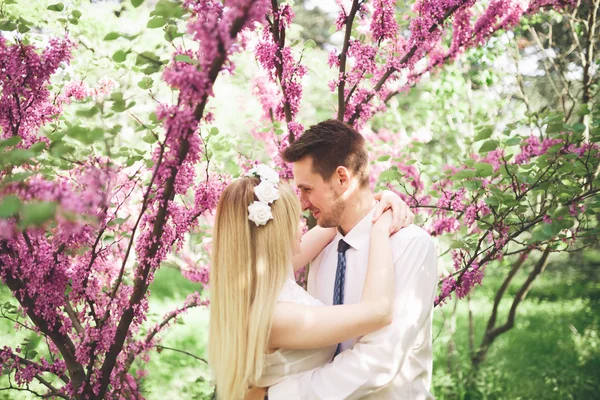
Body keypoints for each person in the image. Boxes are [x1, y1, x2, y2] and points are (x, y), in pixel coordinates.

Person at [254, 119, 439, 399]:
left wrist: (277, 396)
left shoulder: (409, 244)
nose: (301, 202)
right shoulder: (323, 246)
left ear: (342, 178)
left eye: (307, 189)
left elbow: (379, 360)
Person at [208, 164, 413, 399]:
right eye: (297, 219)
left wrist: (380, 200)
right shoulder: (276, 316)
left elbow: (341, 220)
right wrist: (380, 229)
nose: (304, 225)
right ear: (278, 233)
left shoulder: (260, 276)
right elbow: (378, 311)